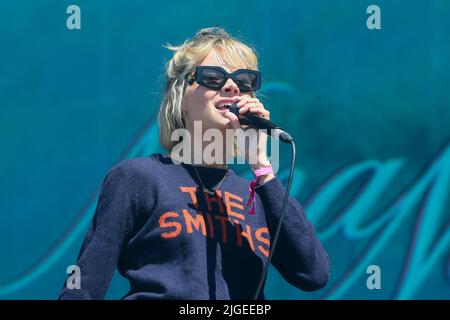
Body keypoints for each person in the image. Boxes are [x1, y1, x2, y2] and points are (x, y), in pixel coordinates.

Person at [58, 27, 330, 300]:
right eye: (213, 77)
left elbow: (313, 274)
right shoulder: (137, 179)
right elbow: (83, 287)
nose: (232, 86)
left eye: (244, 81)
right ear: (181, 97)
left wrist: (262, 166)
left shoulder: (260, 198)